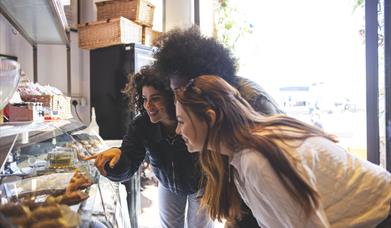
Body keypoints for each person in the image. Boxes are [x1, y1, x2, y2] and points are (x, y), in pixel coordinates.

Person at [174, 75, 391, 228]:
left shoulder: (256, 159)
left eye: (182, 121)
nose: (178, 130)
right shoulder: (245, 153)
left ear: (210, 118)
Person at [154, 26, 282, 227]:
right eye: (173, 92)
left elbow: (279, 199)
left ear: (205, 83)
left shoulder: (253, 105)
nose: (176, 99)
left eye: (179, 90)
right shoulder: (207, 115)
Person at [86, 67, 214, 228]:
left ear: (171, 97)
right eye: (144, 99)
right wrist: (116, 161)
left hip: (201, 185)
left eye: (155, 98)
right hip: (168, 184)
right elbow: (129, 158)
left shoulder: (191, 120)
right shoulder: (141, 125)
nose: (148, 105)